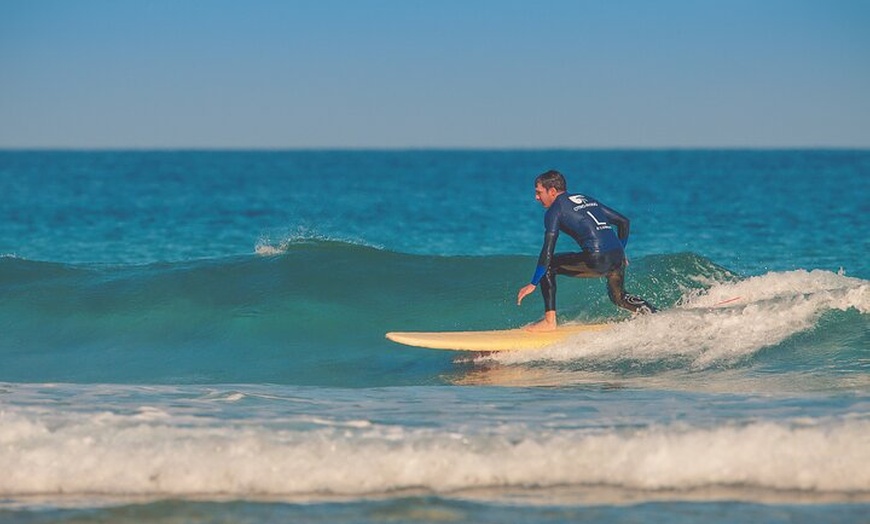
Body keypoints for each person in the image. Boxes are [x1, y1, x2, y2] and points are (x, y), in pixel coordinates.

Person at [516, 170, 656, 331]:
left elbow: (548, 248)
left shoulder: (555, 211)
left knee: (550, 265)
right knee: (619, 297)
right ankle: (655, 314)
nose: (536, 197)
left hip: (597, 258)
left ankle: (549, 322)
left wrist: (533, 283)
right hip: (617, 256)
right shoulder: (585, 199)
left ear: (552, 191)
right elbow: (623, 222)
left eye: (539, 192)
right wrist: (620, 251)